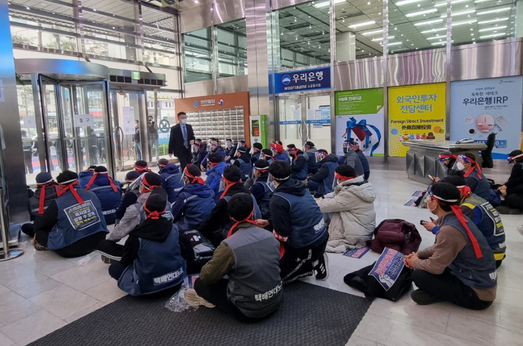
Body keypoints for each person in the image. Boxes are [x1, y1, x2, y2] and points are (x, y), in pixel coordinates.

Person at [185, 193, 282, 321]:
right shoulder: (270, 236)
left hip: (248, 311)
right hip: (276, 299)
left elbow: (207, 276)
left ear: (231, 217)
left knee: (200, 283)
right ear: (253, 211)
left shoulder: (229, 245)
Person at [406, 182, 497, 310]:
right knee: (428, 264)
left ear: (436, 203)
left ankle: (442, 295)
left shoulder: (449, 230)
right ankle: (443, 292)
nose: (427, 201)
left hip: (478, 295)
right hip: (478, 281)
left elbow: (435, 267)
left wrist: (415, 262)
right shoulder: (458, 218)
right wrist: (419, 255)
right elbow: (440, 248)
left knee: (419, 275)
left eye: (430, 198)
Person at [260, 161, 329, 284]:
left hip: (307, 242)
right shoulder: (300, 186)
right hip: (322, 233)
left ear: (271, 176)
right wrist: (269, 222)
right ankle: (314, 257)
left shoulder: (278, 198)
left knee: (274, 279)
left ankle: (313, 260)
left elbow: (283, 232)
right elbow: (299, 213)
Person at [109, 188, 186, 296]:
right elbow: (185, 251)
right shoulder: (174, 228)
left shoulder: (136, 236)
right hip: (176, 281)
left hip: (147, 287)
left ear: (144, 210)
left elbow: (125, 261)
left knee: (114, 268)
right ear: (164, 210)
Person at [431, 175, 506, 267]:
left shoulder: (467, 208)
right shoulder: (473, 198)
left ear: (458, 191)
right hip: (496, 251)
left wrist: (435, 229)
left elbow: (455, 235)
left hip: (489, 257)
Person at [33, 170, 108, 257]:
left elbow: (44, 224)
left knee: (40, 232)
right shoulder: (92, 194)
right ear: (77, 182)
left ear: (60, 186)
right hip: (99, 240)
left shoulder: (57, 203)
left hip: (71, 249)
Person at [98, 172, 169, 262]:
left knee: (103, 244)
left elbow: (119, 233)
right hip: (167, 243)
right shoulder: (166, 202)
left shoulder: (136, 209)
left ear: (144, 187)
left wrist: (110, 241)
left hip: (145, 249)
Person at [316, 165, 377, 253]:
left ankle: (319, 229)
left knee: (323, 208)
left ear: (340, 179)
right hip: (364, 228)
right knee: (326, 204)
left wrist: (314, 201)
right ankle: (324, 226)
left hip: (357, 235)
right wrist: (323, 197)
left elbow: (325, 206)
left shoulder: (349, 194)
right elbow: (337, 193)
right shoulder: (361, 185)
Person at [198, 165, 261, 247]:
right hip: (254, 229)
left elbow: (211, 223)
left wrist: (199, 231)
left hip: (234, 235)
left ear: (225, 182)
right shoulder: (249, 194)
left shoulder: (226, 201)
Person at [171, 165, 215, 231]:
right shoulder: (208, 189)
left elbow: (175, 214)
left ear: (186, 178)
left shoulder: (184, 195)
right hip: (209, 223)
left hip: (192, 226)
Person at [22, 172, 60, 237]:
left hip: (44, 230)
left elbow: (32, 217)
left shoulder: (31, 201)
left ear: (37, 184)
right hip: (62, 227)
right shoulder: (63, 193)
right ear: (52, 180)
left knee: (25, 227)